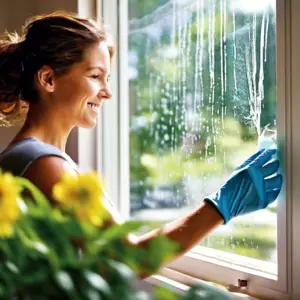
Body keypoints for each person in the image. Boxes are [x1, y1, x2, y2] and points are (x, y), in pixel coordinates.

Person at [0, 11, 282, 278]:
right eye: (95, 76)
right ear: (48, 79)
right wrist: (223, 205)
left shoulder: (29, 156)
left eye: (106, 78)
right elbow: (130, 259)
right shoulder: (43, 165)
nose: (107, 92)